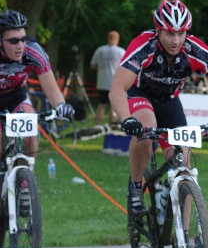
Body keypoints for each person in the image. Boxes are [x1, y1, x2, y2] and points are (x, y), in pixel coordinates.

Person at [109, 0, 208, 215]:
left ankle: (184, 239)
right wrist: (126, 119)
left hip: (169, 100)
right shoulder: (144, 46)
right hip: (140, 94)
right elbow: (117, 89)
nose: (176, 40)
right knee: (146, 130)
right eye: (170, 33)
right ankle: (136, 186)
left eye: (181, 33)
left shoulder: (194, 49)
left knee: (184, 165)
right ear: (158, 31)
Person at [0, 9, 75, 157]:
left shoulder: (33, 51)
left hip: (16, 96)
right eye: (14, 41)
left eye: (23, 39)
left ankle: (26, 176)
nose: (20, 45)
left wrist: (61, 105)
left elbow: (50, 86)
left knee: (29, 141)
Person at [90, 30, 125, 125]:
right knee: (113, 105)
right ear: (117, 40)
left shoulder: (100, 50)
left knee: (101, 105)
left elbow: (93, 65)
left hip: (102, 82)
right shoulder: (121, 51)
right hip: (115, 83)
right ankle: (111, 125)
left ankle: (96, 125)